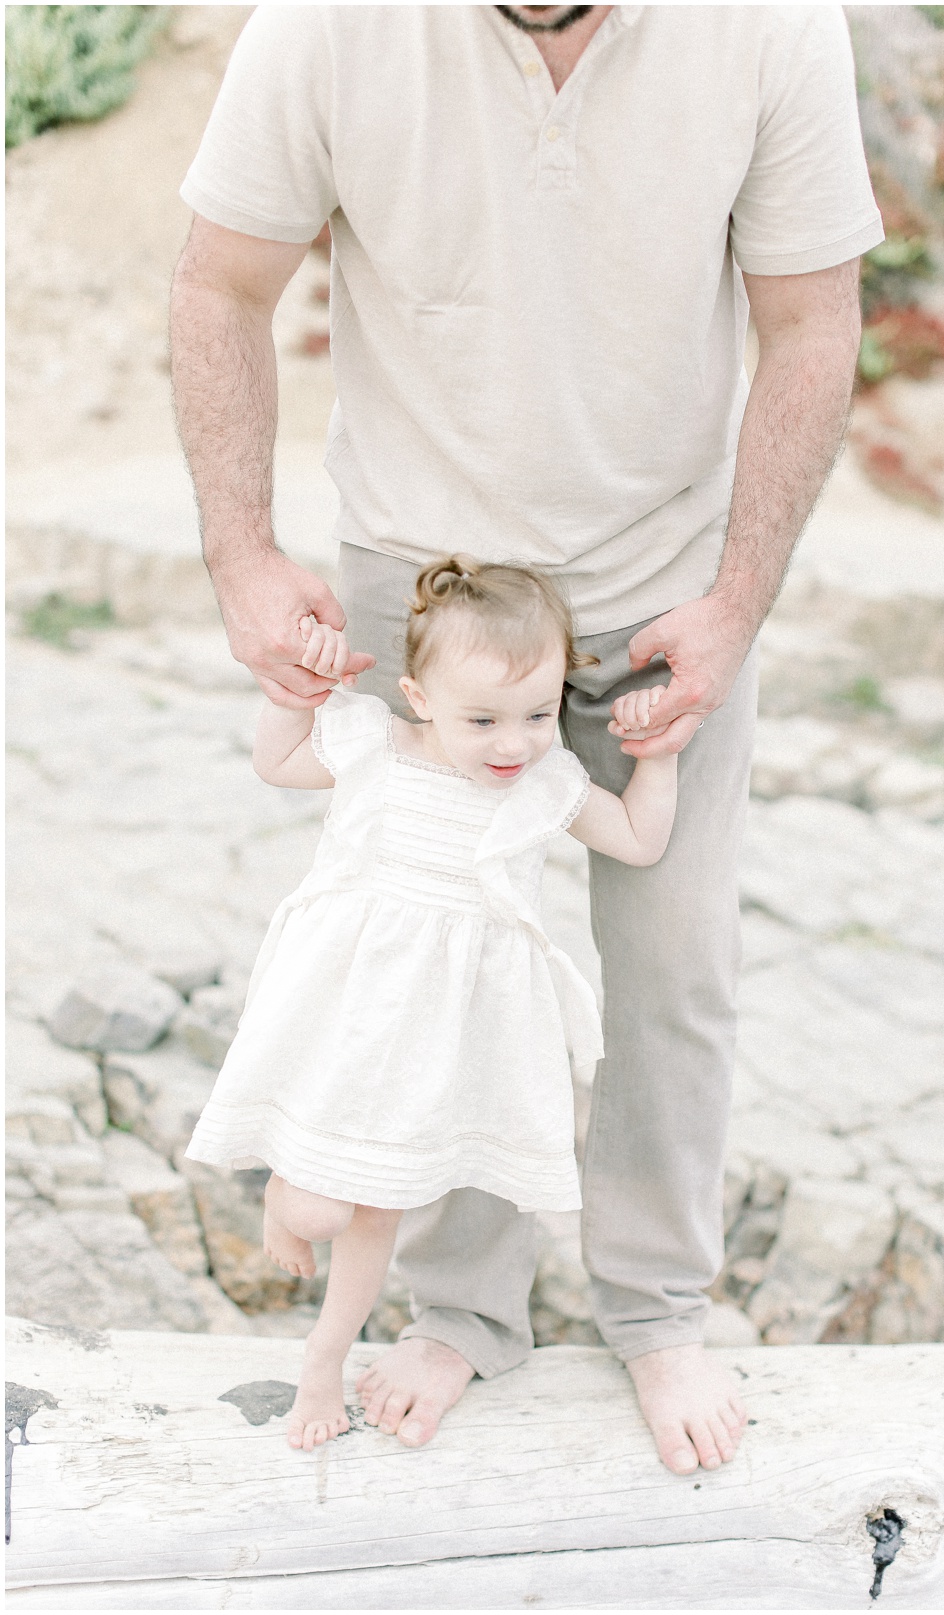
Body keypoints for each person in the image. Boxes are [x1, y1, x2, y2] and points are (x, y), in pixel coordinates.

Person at [170, 4, 883, 1475]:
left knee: (673, 966)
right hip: (418, 589)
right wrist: (243, 557)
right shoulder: (321, 27)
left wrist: (738, 599)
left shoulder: (774, 28)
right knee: (437, 958)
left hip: (662, 590)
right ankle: (463, 1307)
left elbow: (814, 318)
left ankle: (656, 1304)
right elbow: (220, 284)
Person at [186, 556, 679, 1450]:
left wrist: (661, 758)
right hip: (349, 1008)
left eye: (538, 714)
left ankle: (322, 1362)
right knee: (317, 1211)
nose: (512, 742)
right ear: (418, 695)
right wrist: (297, 691)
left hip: (439, 1040)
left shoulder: (546, 782)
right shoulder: (375, 743)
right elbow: (278, 760)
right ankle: (284, 1197)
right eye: (482, 718)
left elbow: (641, 840)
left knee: (380, 1208)